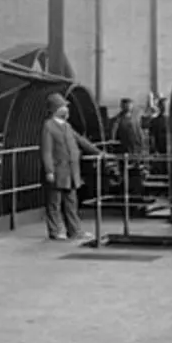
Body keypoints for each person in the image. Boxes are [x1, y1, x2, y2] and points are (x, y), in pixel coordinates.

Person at [39, 92, 101, 242]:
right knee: (54, 202)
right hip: (57, 171)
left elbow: (81, 141)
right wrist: (49, 171)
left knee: (71, 202)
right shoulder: (48, 126)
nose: (67, 110)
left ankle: (74, 230)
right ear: (56, 109)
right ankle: (55, 231)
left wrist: (99, 152)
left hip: (71, 172)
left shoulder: (67, 126)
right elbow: (46, 151)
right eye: (64, 107)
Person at [111, 96, 149, 202]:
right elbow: (114, 138)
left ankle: (137, 197)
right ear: (122, 106)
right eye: (126, 104)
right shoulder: (117, 121)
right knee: (127, 176)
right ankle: (128, 199)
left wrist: (143, 151)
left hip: (136, 153)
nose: (128, 106)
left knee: (137, 176)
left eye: (130, 104)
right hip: (124, 154)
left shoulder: (136, 119)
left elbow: (141, 136)